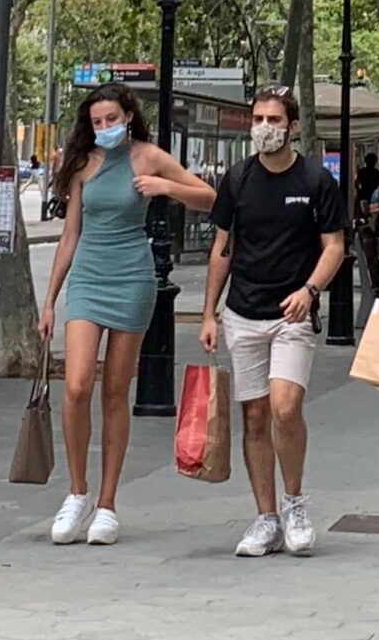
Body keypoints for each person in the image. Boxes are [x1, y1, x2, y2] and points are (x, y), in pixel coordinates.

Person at [38, 84, 216, 547]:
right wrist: (49, 300)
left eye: (111, 119)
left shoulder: (149, 156)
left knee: (116, 392)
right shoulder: (82, 164)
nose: (104, 128)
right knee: (77, 385)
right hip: (88, 280)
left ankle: (107, 504)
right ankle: (76, 492)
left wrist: (166, 188)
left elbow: (210, 197)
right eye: (96, 122)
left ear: (129, 116)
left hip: (133, 278)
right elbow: (70, 234)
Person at [200, 85, 345, 559]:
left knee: (285, 407)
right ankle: (265, 517)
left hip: (292, 314)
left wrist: (310, 290)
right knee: (255, 414)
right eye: (259, 119)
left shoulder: (315, 180)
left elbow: (334, 246)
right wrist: (208, 312)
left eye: (274, 120)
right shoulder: (238, 180)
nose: (265, 128)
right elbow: (222, 249)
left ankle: (295, 502)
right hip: (242, 312)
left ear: (292, 126)